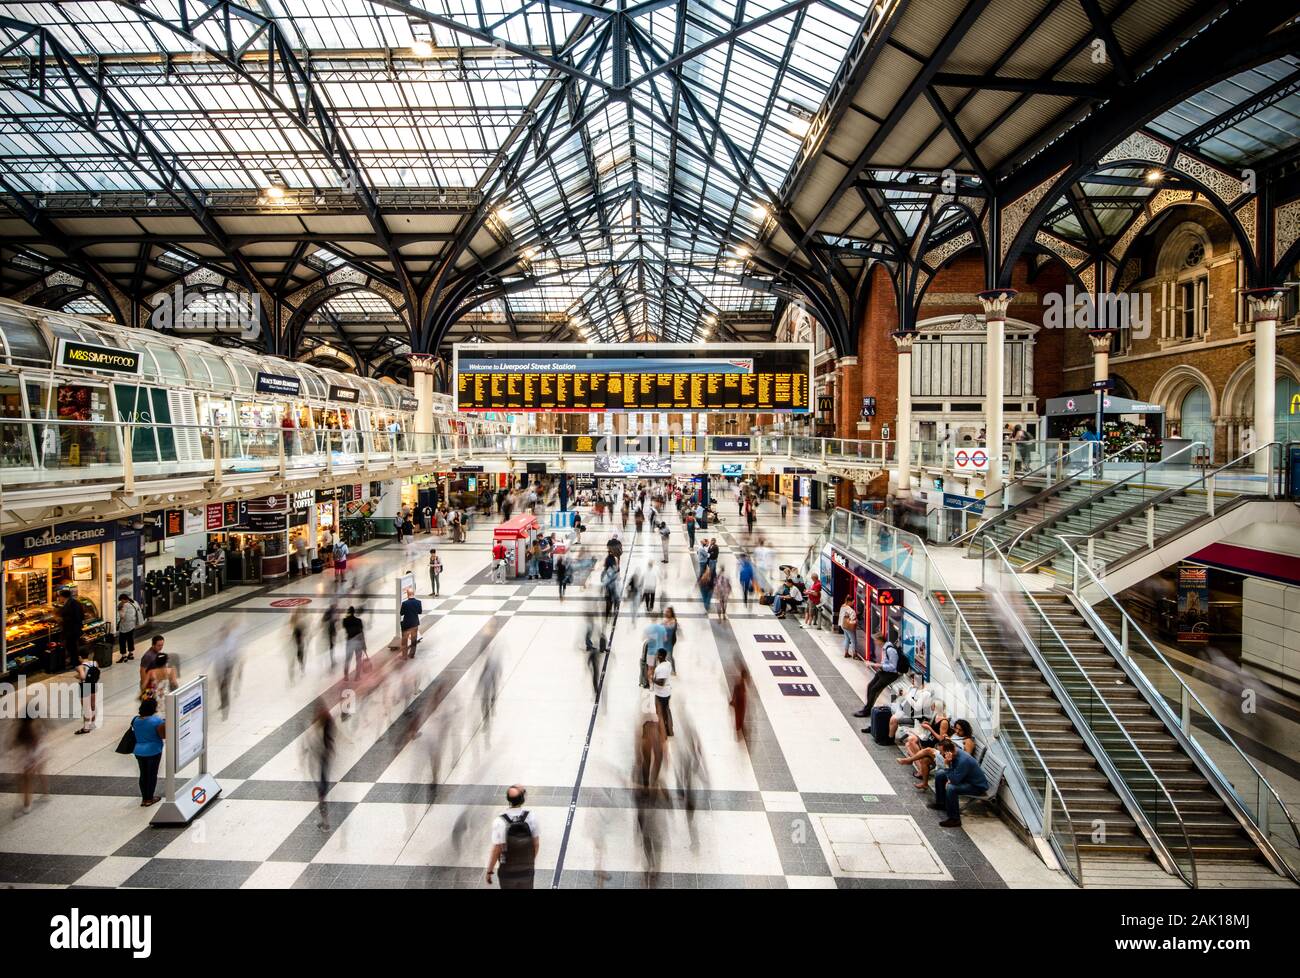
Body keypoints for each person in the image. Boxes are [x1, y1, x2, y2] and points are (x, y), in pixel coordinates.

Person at [486, 785, 540, 888]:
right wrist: (529, 862)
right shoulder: (531, 817)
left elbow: (496, 849)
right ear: (522, 800)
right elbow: (536, 844)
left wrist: (490, 871)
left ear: (508, 799)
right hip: (527, 871)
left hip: (507, 872)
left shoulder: (500, 821)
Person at [930, 739, 989, 828]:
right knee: (939, 774)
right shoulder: (955, 753)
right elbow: (954, 774)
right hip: (965, 779)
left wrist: (947, 765)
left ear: (949, 752)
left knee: (951, 788)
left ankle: (955, 819)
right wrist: (950, 776)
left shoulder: (963, 760)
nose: (941, 755)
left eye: (942, 753)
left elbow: (954, 780)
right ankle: (941, 803)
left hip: (976, 786)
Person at [855, 637, 902, 723]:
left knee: (874, 689)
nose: (875, 642)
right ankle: (867, 708)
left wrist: (877, 665)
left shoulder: (890, 650)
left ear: (880, 640)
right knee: (870, 686)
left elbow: (893, 667)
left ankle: (867, 711)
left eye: (876, 640)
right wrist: (880, 666)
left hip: (890, 674)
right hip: (883, 671)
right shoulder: (884, 648)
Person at [132, 698, 166, 807]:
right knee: (152, 775)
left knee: (143, 775)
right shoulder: (156, 721)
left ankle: (144, 798)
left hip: (138, 751)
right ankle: (149, 799)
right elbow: (162, 735)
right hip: (153, 751)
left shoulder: (135, 720)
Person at [74, 649, 101, 734]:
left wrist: (77, 676)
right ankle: (92, 722)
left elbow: (83, 676)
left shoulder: (80, 666)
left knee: (86, 708)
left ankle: (86, 728)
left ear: (80, 657)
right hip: (94, 685)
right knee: (93, 705)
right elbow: (97, 673)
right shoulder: (95, 663)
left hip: (84, 687)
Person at [116, 592, 142, 663]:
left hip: (125, 626)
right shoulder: (134, 602)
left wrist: (119, 608)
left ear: (123, 599)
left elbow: (122, 616)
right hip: (132, 624)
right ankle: (130, 654)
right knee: (130, 639)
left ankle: (124, 656)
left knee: (122, 641)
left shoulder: (125, 605)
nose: (121, 602)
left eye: (121, 600)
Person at [652, 649, 674, 737]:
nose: (656, 656)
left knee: (660, 713)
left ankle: (663, 732)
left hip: (661, 694)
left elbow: (661, 683)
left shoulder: (661, 668)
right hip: (667, 692)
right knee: (666, 711)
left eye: (657, 654)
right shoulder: (667, 663)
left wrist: (653, 679)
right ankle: (669, 730)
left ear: (660, 656)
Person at [59, 589, 83, 665]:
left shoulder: (70, 604)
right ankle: (74, 660)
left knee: (71, 646)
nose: (59, 598)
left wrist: (61, 619)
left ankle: (75, 662)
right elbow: (81, 615)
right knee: (72, 646)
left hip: (71, 630)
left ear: (63, 597)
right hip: (75, 628)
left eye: (59, 597)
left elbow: (73, 617)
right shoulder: (76, 602)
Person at [342, 606, 366, 681]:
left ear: (348, 612)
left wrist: (347, 615)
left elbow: (345, 626)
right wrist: (364, 645)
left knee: (347, 659)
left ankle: (346, 676)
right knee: (358, 660)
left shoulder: (345, 620)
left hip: (350, 641)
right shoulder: (358, 621)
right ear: (354, 612)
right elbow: (361, 633)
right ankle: (357, 677)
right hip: (358, 641)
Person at [399, 588, 423, 659]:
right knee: (413, 640)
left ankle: (404, 656)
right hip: (415, 624)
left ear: (407, 594)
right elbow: (420, 612)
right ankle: (412, 654)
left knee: (404, 640)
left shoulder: (404, 603)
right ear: (413, 594)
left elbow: (401, 613)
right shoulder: (418, 602)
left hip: (406, 624)